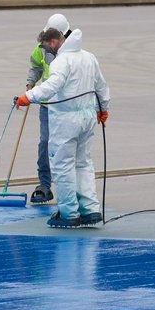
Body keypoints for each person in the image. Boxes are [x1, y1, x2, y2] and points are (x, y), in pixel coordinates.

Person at [16, 18, 111, 228]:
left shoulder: (61, 61)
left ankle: (69, 213)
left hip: (66, 120)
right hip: (87, 118)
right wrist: (103, 109)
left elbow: (52, 85)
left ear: (53, 41)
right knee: (84, 163)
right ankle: (90, 209)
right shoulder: (89, 57)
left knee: (63, 165)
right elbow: (101, 87)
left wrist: (28, 96)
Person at [26, 16, 66, 205]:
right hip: (46, 106)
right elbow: (35, 66)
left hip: (66, 107)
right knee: (45, 143)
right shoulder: (41, 49)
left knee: (65, 147)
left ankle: (69, 188)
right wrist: (31, 82)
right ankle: (44, 184)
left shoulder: (70, 53)